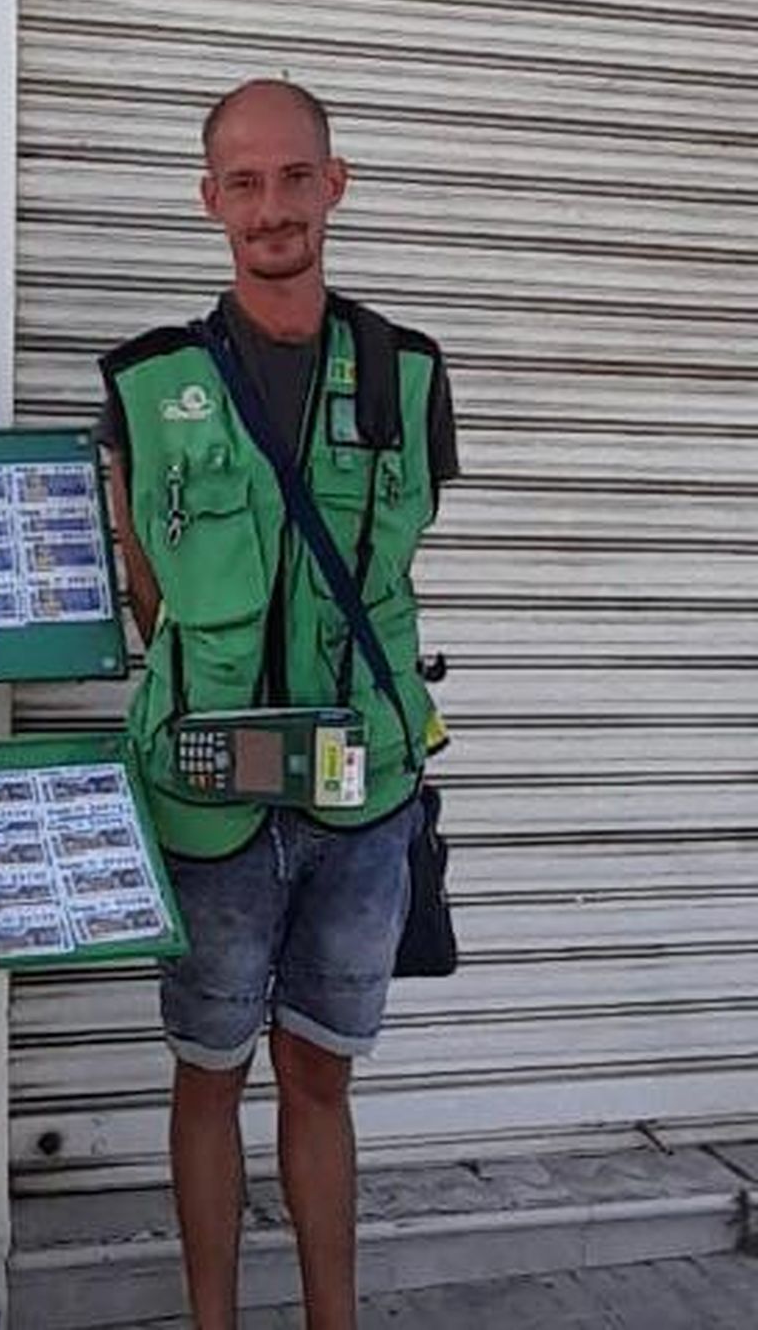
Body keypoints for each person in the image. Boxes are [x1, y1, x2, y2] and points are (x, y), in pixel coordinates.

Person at [96, 79, 459, 1330]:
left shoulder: (407, 372)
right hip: (207, 798)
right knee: (206, 1074)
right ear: (210, 202)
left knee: (319, 1073)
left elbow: (398, 567)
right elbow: (146, 596)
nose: (271, 207)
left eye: (294, 176)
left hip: (362, 800)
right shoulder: (150, 387)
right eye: (243, 183)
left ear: (334, 183)